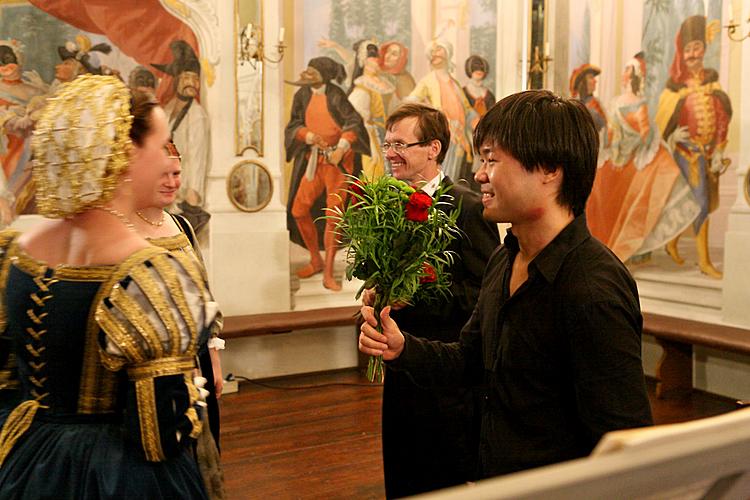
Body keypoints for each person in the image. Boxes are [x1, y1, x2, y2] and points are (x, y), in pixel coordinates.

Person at [359, 90, 653, 481]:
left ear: (549, 168)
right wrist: (403, 348)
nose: (480, 174)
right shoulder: (506, 258)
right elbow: (469, 359)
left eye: (492, 159)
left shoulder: (592, 286)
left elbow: (624, 444)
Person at [0, 75, 215, 498]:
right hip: (117, 472)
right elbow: (160, 432)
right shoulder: (148, 271)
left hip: (29, 458)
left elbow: (7, 381)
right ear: (125, 153)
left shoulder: (17, 253)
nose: (168, 158)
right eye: (161, 144)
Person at [375, 103, 499, 498]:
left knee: (440, 478)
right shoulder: (389, 203)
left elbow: (484, 293)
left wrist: (420, 295)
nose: (391, 153)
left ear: (433, 148)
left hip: (447, 371)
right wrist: (378, 292)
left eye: (401, 144)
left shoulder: (468, 207)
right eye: (387, 143)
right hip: (400, 365)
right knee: (400, 469)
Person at [586, 53, 700, 263]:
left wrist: (632, 149)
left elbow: (646, 135)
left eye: (628, 70)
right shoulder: (615, 102)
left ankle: (633, 249)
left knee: (647, 182)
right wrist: (611, 150)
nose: (624, 74)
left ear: (635, 75)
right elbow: (611, 133)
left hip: (635, 155)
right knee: (599, 186)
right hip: (617, 156)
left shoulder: (640, 103)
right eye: (624, 70)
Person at [655, 15, 731, 278]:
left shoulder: (713, 83)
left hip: (707, 155)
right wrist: (672, 138)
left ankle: (672, 242)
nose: (692, 54)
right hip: (685, 154)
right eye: (687, 49)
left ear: (704, 49)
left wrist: (720, 150)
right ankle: (704, 261)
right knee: (698, 203)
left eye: (697, 47)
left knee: (695, 203)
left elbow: (722, 118)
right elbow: (663, 123)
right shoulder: (674, 88)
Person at [284, 56, 369, 291]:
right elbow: (293, 125)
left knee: (334, 216)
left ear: (324, 74)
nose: (307, 73)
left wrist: (342, 147)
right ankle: (316, 260)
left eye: (312, 71)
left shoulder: (336, 94)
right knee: (298, 210)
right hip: (315, 160)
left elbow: (354, 123)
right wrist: (307, 135)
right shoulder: (301, 95)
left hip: (338, 164)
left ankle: (329, 273)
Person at [152, 40, 211, 234]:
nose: (192, 84)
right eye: (187, 78)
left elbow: (197, 157)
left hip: (182, 194)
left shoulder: (197, 115)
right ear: (177, 80)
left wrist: (192, 196)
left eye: (195, 79)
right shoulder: (166, 110)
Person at [407, 39, 477, 186]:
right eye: (432, 52)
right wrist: (432, 112)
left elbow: (467, 109)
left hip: (459, 137)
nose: (435, 54)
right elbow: (412, 101)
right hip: (442, 134)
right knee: (442, 175)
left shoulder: (454, 83)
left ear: (447, 54)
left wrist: (476, 121)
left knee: (457, 176)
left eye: (439, 50)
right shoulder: (427, 81)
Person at [378, 41, 416, 115]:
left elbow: (409, 106)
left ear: (400, 59)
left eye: (394, 54)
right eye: (387, 52)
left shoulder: (403, 78)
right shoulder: (378, 73)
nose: (387, 56)